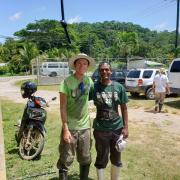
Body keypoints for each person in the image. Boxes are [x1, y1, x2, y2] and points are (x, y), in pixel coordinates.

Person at [57, 53, 95, 180]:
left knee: (85, 157)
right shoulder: (66, 82)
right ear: (74, 65)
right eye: (79, 63)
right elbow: (62, 107)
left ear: (88, 66)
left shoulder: (89, 81)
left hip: (85, 127)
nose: (82, 66)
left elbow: (91, 98)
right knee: (66, 159)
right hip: (71, 127)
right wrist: (65, 129)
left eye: (85, 63)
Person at [90, 62, 129, 180]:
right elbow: (82, 100)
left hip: (117, 128)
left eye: (107, 69)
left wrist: (126, 127)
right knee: (101, 157)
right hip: (100, 129)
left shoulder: (119, 87)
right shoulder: (93, 87)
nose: (104, 72)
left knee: (117, 158)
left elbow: (124, 108)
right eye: (101, 70)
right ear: (99, 72)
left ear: (111, 71)